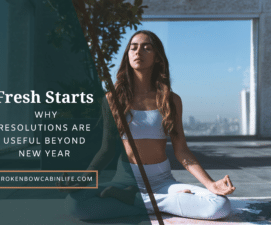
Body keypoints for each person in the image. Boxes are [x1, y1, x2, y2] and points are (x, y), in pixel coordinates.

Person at [60, 30, 235, 221]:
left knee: (219, 207)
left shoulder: (171, 100)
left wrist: (210, 184)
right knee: (74, 205)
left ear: (157, 57)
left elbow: (182, 151)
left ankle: (136, 201)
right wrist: (84, 180)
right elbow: (106, 150)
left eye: (146, 48)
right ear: (127, 55)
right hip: (124, 181)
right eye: (133, 48)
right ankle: (156, 203)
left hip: (162, 182)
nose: (138, 52)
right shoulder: (112, 99)